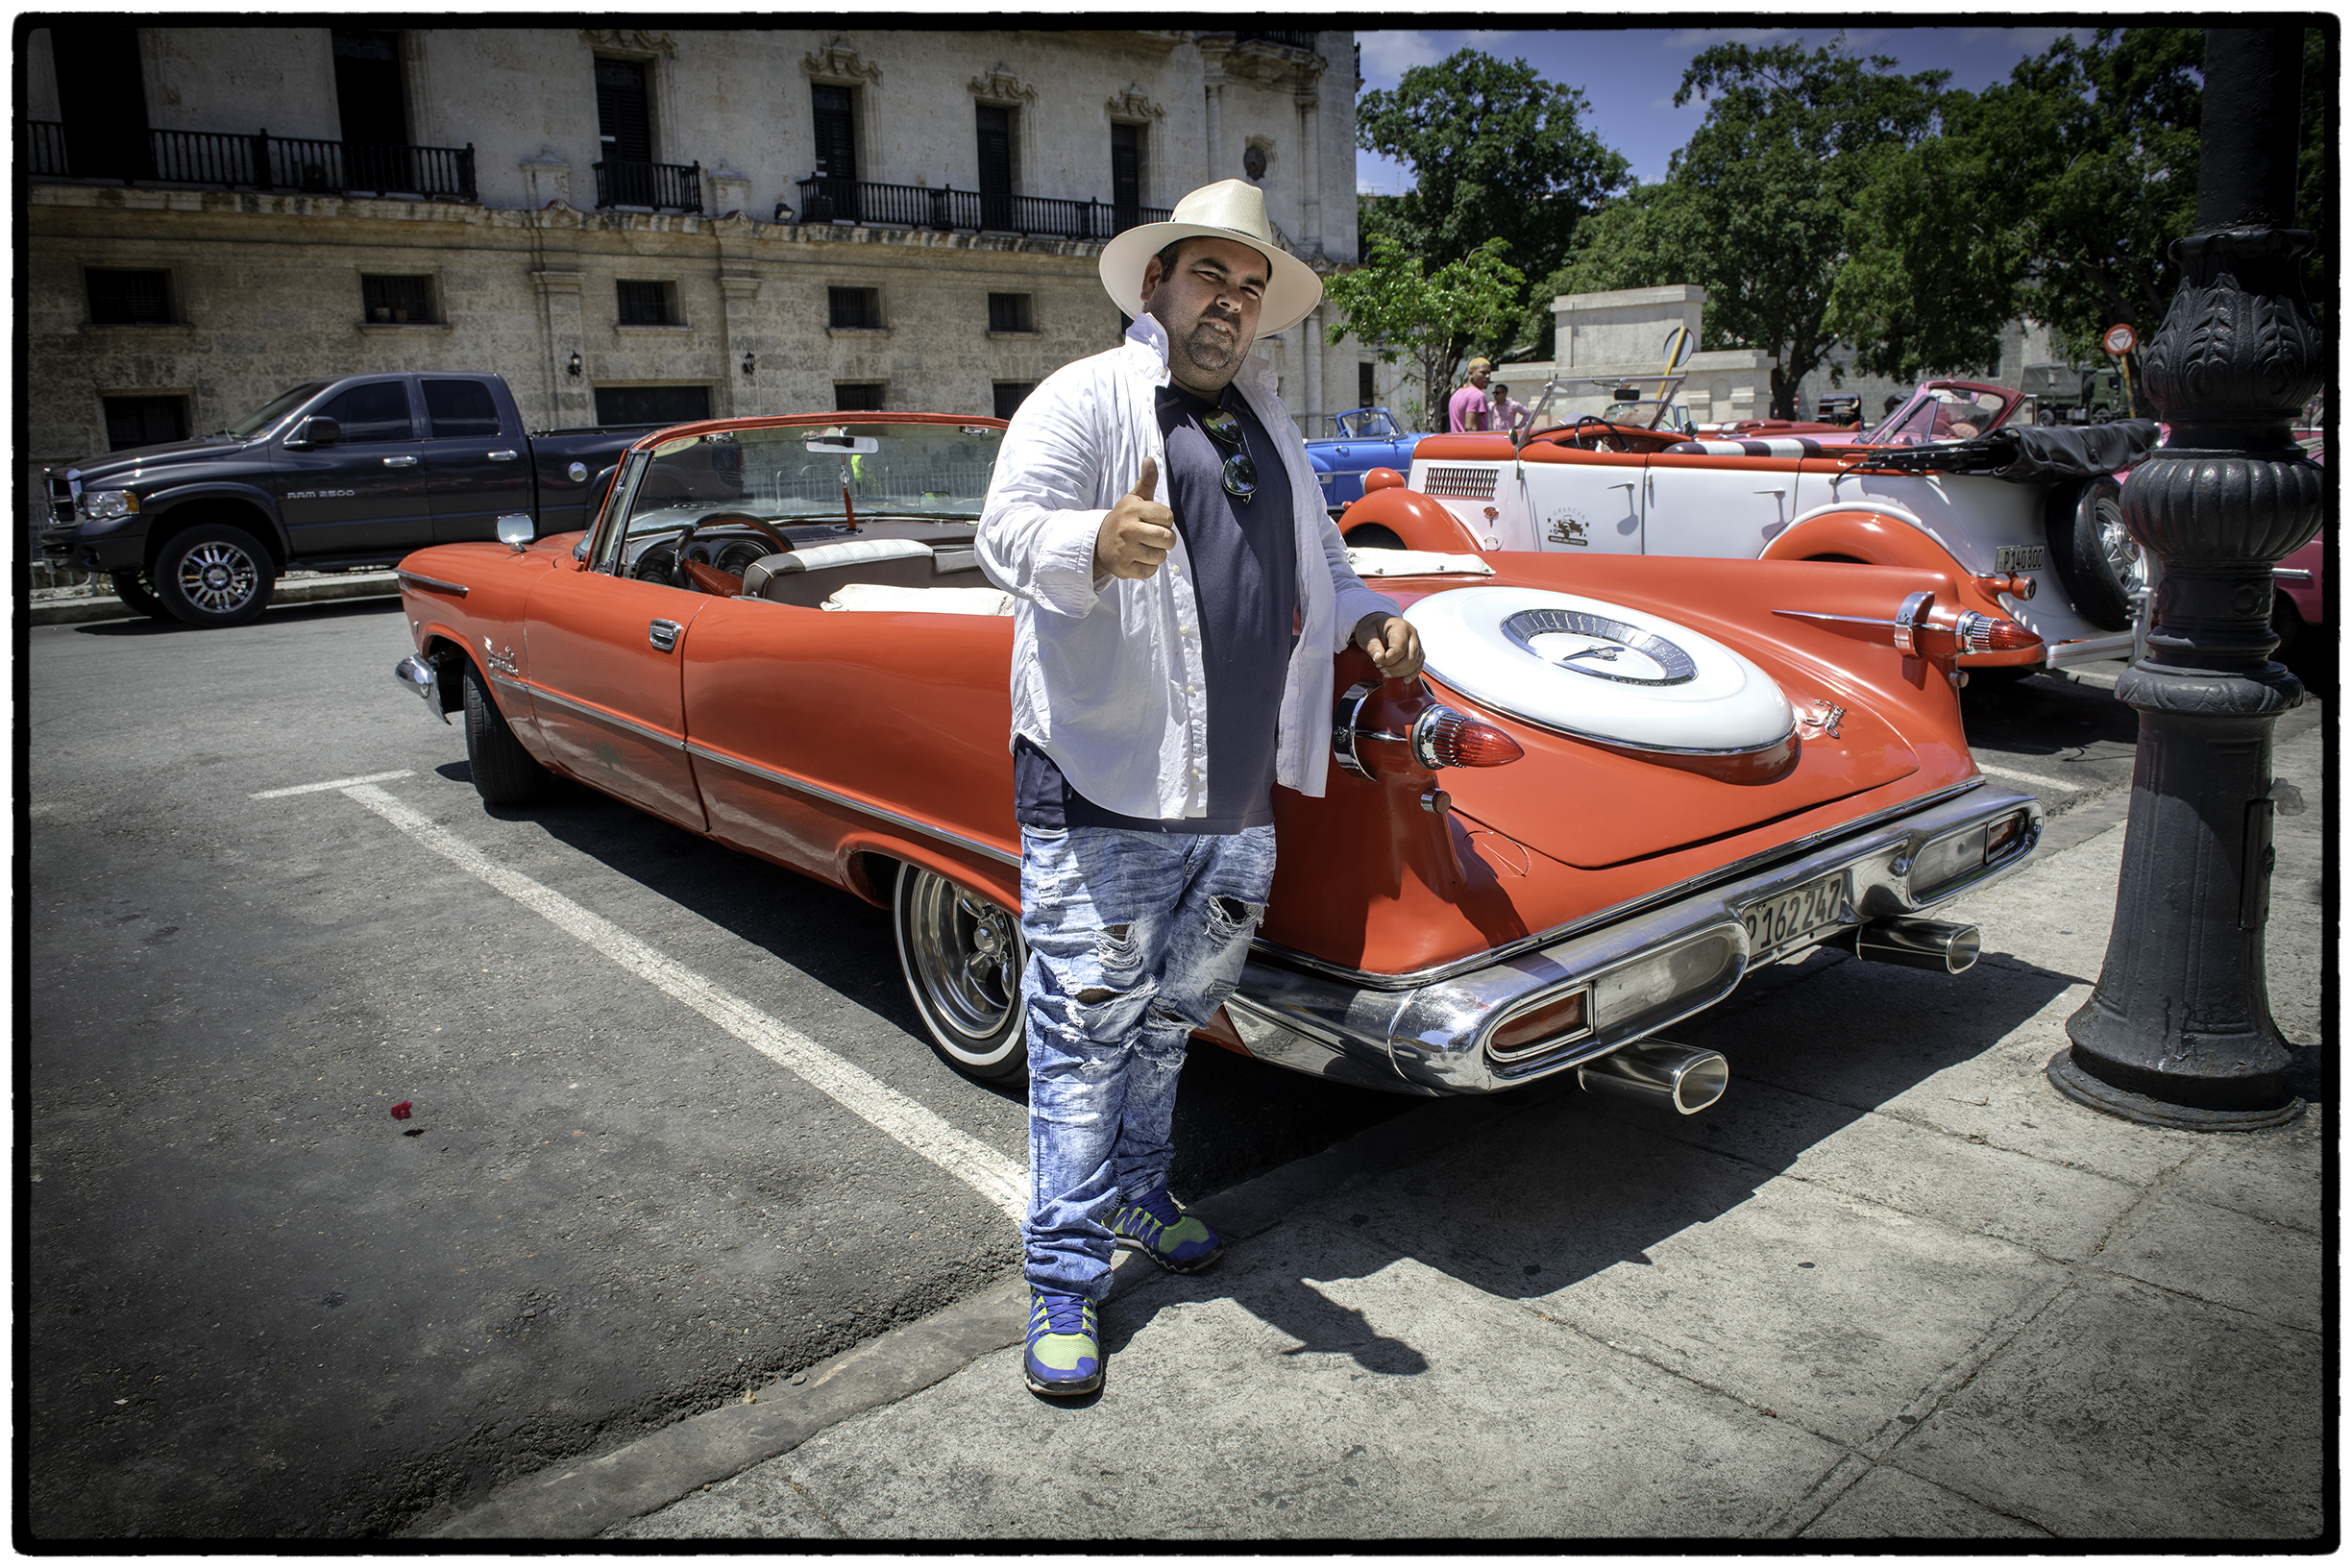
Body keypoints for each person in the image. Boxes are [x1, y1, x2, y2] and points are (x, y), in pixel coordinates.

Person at [977, 179, 1425, 1399]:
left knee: (1173, 1022)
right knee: (1082, 1033)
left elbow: (1323, 560)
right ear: (1158, 283)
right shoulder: (1087, 398)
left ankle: (1138, 1195)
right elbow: (1002, 531)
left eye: (1249, 286)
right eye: (1208, 278)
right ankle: (1062, 1281)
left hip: (1235, 802)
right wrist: (1090, 546)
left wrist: (1374, 616)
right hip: (1103, 788)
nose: (1228, 304)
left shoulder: (1273, 422)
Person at [1447, 357, 1494, 432]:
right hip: (1473, 443)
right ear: (1471, 374)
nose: (1488, 376)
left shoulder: (1456, 394)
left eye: (1489, 373)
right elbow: (1470, 429)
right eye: (1483, 373)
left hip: (1456, 443)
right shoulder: (1477, 395)